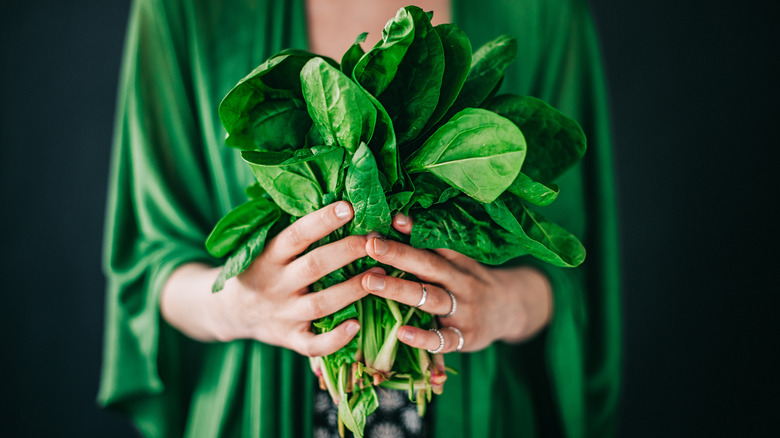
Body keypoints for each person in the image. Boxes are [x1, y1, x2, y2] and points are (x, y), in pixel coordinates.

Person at [98, 0, 621, 437]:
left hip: (480, 413)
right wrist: (241, 306)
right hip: (255, 412)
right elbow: (148, 266)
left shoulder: (544, 12)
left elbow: (574, 268)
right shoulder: (183, 9)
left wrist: (503, 305)